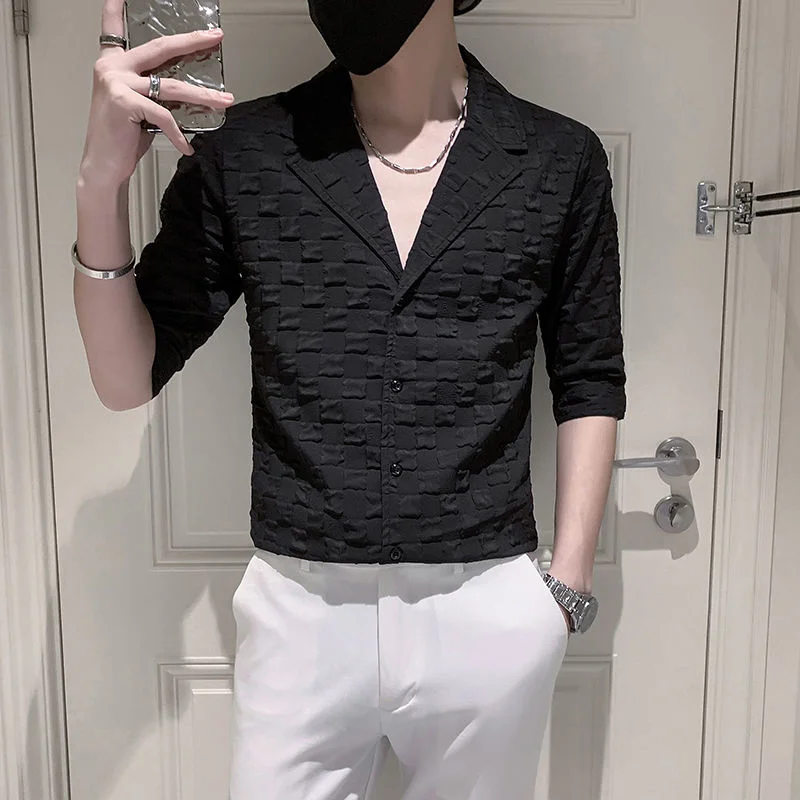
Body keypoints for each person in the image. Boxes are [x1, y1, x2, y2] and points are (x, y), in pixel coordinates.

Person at [74, 0, 626, 796]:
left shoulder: (555, 158)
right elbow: (125, 380)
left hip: (487, 603)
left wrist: (565, 589)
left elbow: (589, 375)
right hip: (301, 608)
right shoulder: (251, 152)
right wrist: (100, 182)